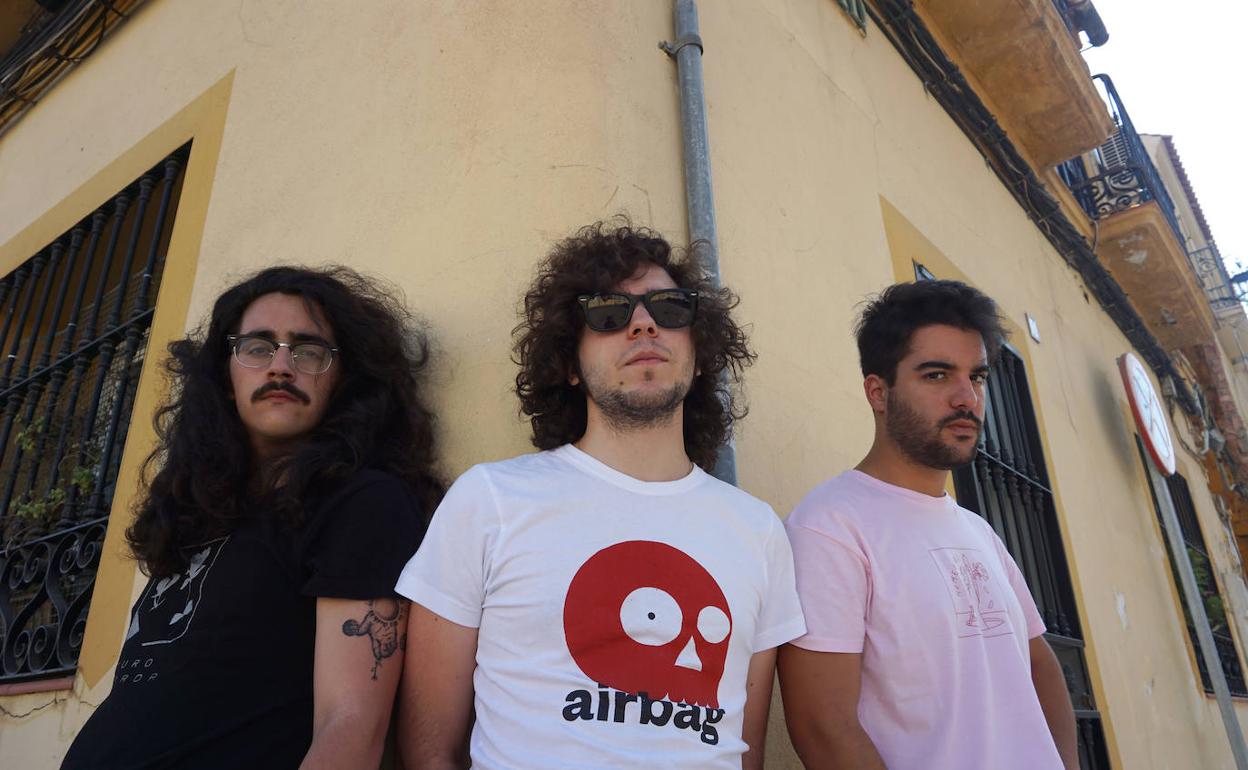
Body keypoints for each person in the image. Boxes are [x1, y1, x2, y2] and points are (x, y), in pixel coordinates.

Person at [396, 222, 806, 769]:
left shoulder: (758, 532)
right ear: (569, 363)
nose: (643, 324)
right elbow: (428, 747)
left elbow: (740, 748)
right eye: (608, 313)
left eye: (669, 308)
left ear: (700, 351)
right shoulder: (491, 500)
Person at [62, 266, 443, 769]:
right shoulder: (202, 512)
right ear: (225, 375)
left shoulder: (361, 503)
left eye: (308, 351)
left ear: (343, 380)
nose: (281, 367)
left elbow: (350, 725)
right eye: (257, 348)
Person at [778, 279, 1079, 770]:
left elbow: (1040, 665)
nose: (967, 398)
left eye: (977, 376)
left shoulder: (978, 531)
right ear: (879, 392)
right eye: (937, 375)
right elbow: (823, 728)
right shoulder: (829, 526)